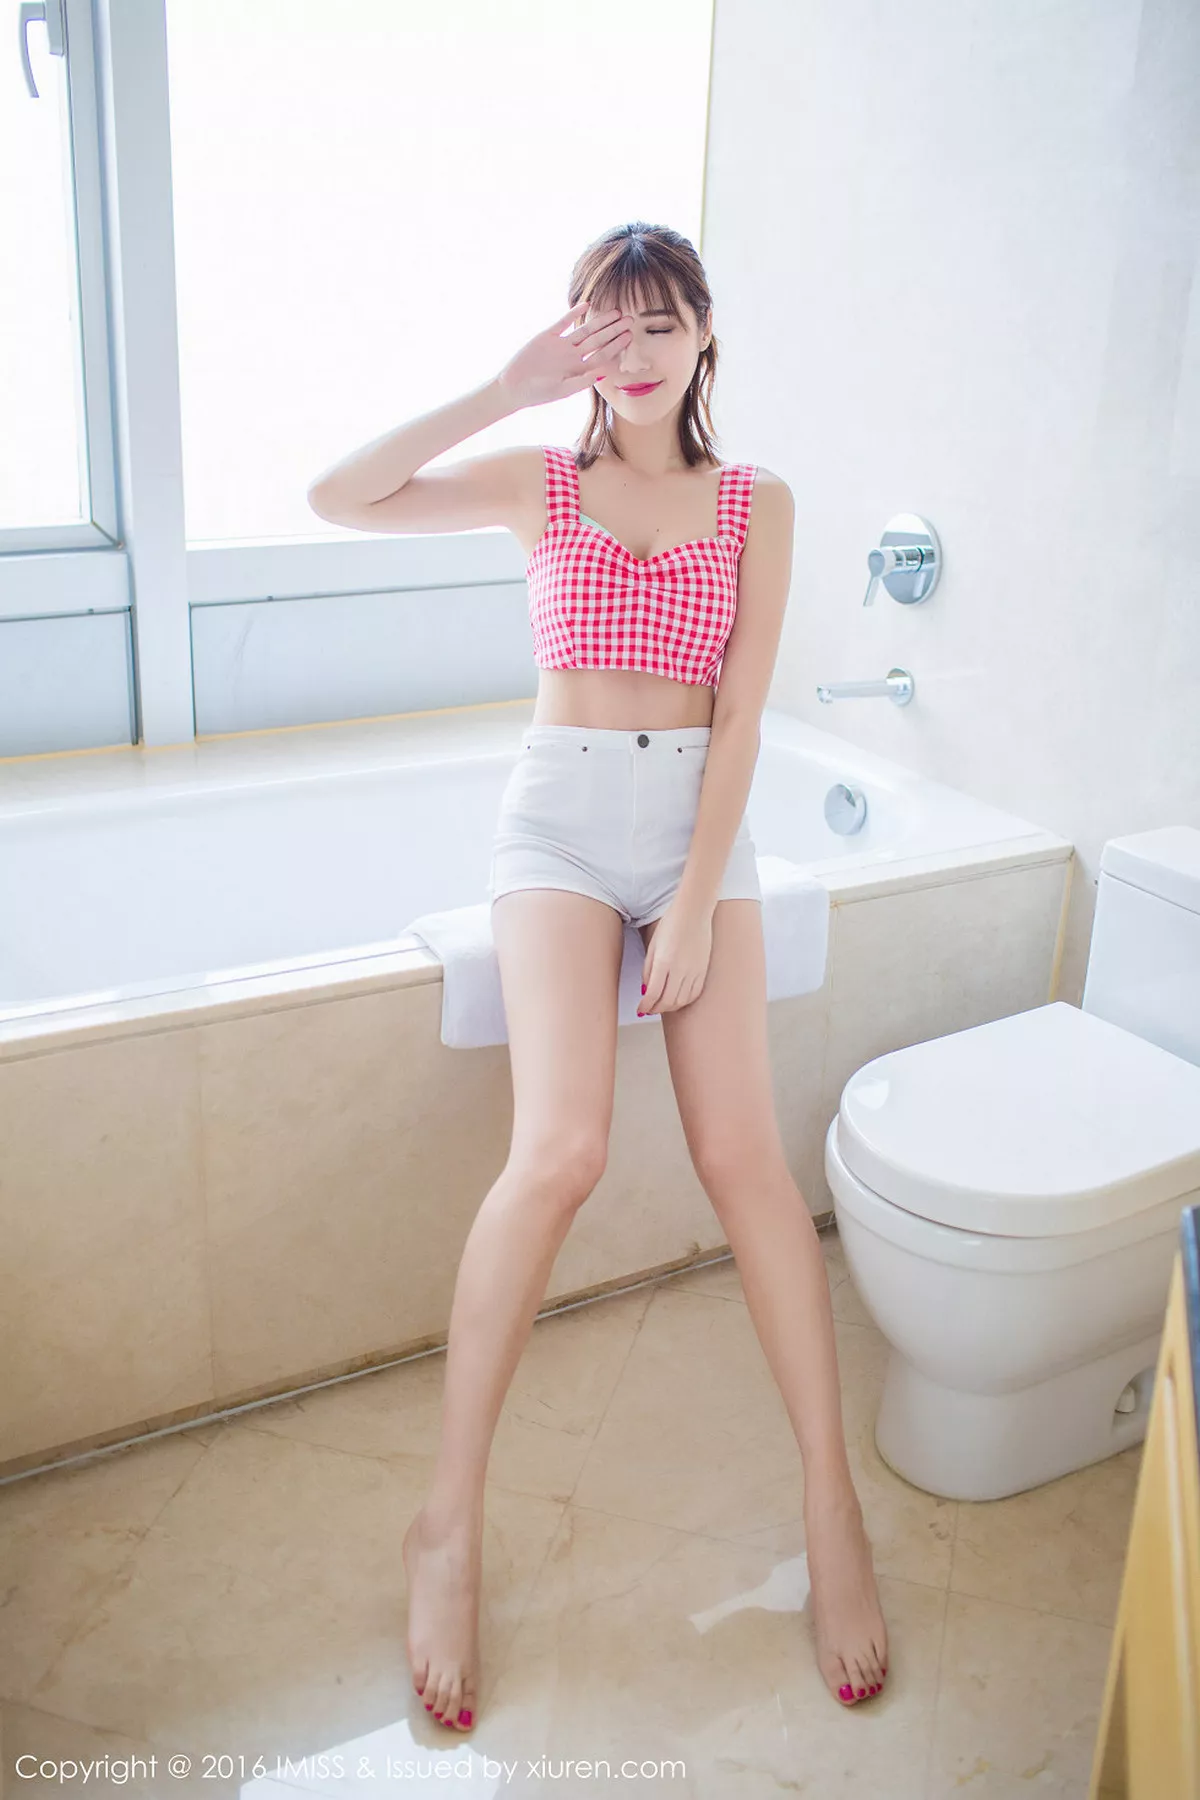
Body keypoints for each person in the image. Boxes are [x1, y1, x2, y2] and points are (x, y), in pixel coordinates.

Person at [306, 222, 889, 1734]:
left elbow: (741, 717)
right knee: (559, 1150)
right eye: (603, 328)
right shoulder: (538, 480)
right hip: (560, 823)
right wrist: (502, 389)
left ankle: (830, 1505)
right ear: (575, 342)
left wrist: (691, 908)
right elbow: (337, 496)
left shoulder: (757, 502)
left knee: (743, 1157)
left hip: (698, 823)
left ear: (705, 338)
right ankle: (447, 1525)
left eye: (659, 325)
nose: (632, 355)